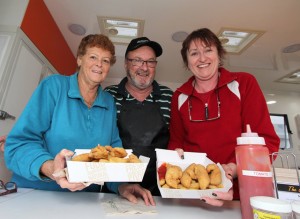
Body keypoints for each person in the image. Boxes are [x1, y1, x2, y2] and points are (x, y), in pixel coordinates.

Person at [4, 34, 154, 206]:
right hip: (36, 195)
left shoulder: (108, 102)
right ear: (79, 60)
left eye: (105, 61)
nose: (99, 64)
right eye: (93, 57)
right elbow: (18, 144)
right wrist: (52, 168)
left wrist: (122, 186)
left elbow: (112, 155)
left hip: (85, 200)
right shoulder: (53, 87)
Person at [168, 28, 280, 206]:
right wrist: (175, 158)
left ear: (219, 55)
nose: (202, 58)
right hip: (193, 195)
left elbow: (267, 143)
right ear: (187, 62)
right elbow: (176, 142)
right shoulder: (179, 97)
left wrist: (234, 169)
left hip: (241, 196)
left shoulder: (244, 84)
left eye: (208, 50)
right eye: (194, 53)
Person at [104, 37, 173, 196]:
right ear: (126, 64)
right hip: (115, 189)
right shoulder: (108, 95)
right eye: (137, 60)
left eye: (150, 62)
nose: (145, 67)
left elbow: (177, 140)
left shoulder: (169, 97)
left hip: (159, 192)